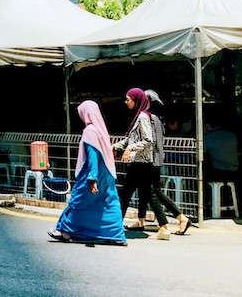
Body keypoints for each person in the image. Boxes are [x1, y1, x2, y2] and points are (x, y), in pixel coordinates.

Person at [49, 100, 126, 245]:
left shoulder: (89, 131)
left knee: (78, 201)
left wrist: (92, 178)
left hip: (92, 173)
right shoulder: (101, 130)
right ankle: (117, 235)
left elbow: (92, 156)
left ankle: (64, 230)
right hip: (107, 173)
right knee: (109, 203)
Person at [113, 88, 171, 241]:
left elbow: (148, 141)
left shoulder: (143, 117)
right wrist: (115, 146)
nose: (126, 102)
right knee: (138, 194)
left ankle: (115, 226)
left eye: (128, 99)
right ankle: (163, 227)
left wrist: (130, 149)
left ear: (136, 100)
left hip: (142, 162)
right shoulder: (137, 116)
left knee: (129, 194)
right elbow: (130, 139)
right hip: (139, 162)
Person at [139, 90, 192, 235]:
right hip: (156, 159)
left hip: (151, 160)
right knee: (149, 191)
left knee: (154, 192)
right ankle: (141, 219)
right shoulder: (158, 118)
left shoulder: (149, 118)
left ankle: (178, 218)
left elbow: (149, 141)